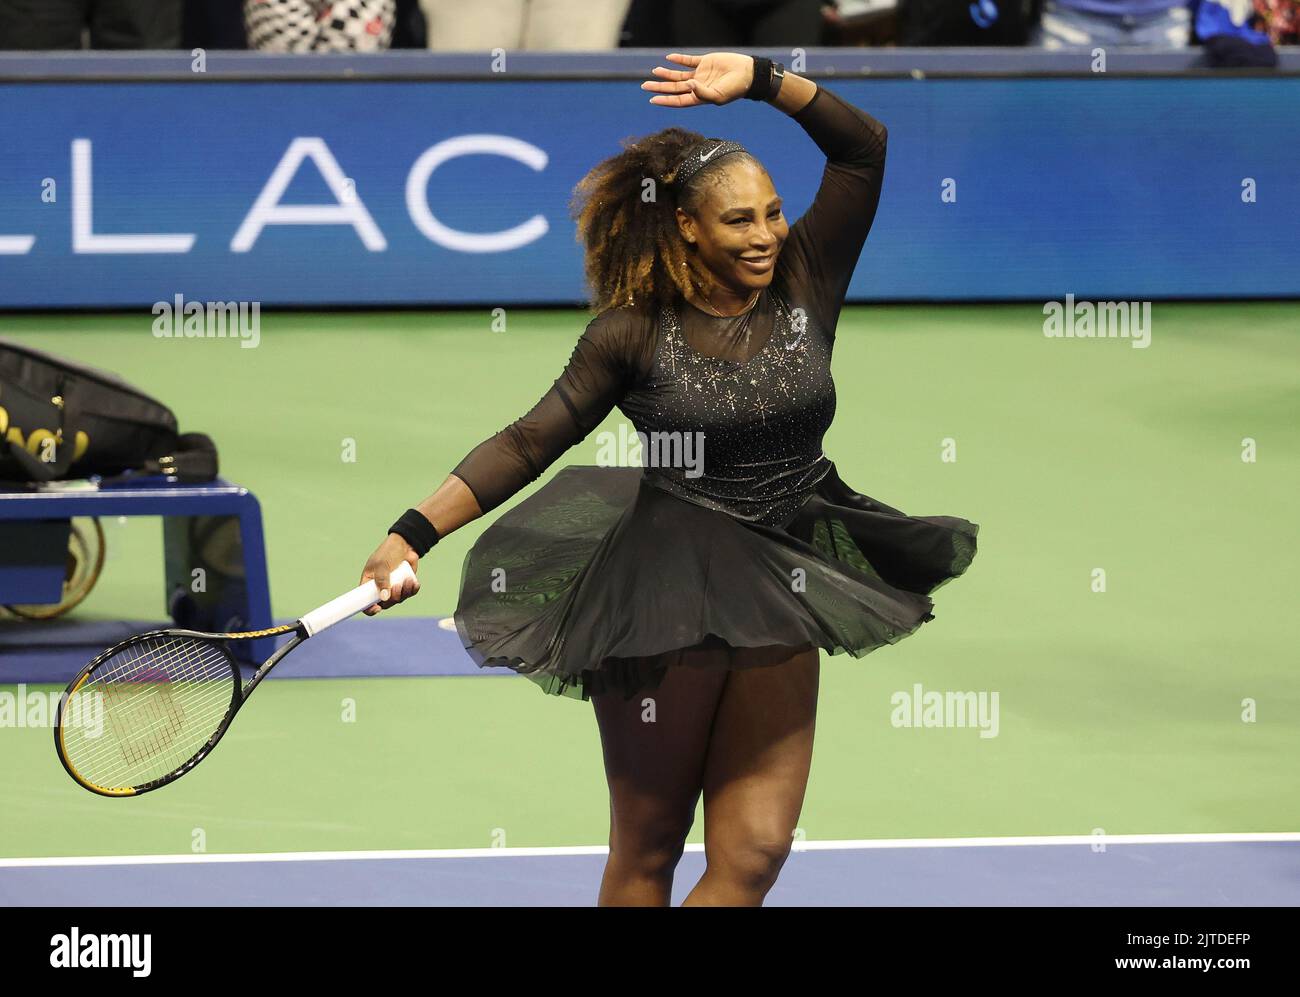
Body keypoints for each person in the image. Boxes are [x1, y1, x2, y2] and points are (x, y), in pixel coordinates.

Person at [360, 51, 979, 906]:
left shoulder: (806, 276)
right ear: (686, 225)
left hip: (789, 573)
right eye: (738, 221)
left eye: (771, 213)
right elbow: (528, 440)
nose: (764, 234)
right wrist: (409, 531)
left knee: (756, 852)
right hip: (666, 585)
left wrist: (765, 81)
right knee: (649, 849)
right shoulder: (631, 334)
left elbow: (863, 146)